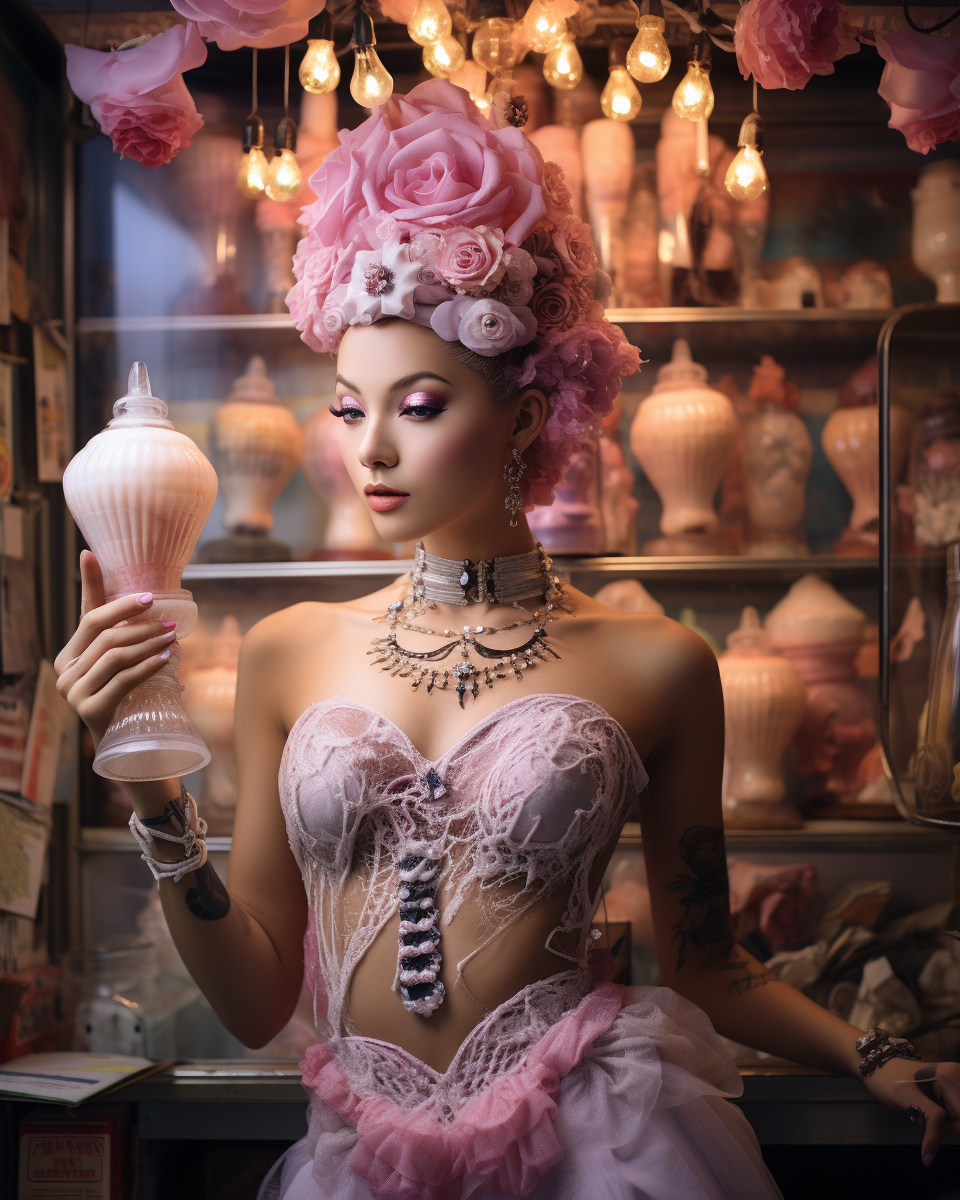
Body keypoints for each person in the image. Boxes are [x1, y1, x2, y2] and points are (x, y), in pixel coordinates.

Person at [55, 80, 959, 1199]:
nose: (370, 450)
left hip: (597, 1144)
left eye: (420, 406)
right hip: (360, 1159)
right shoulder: (289, 654)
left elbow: (711, 967)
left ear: (526, 417)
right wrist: (149, 784)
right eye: (349, 409)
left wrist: (874, 1053)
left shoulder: (660, 664)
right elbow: (251, 1006)